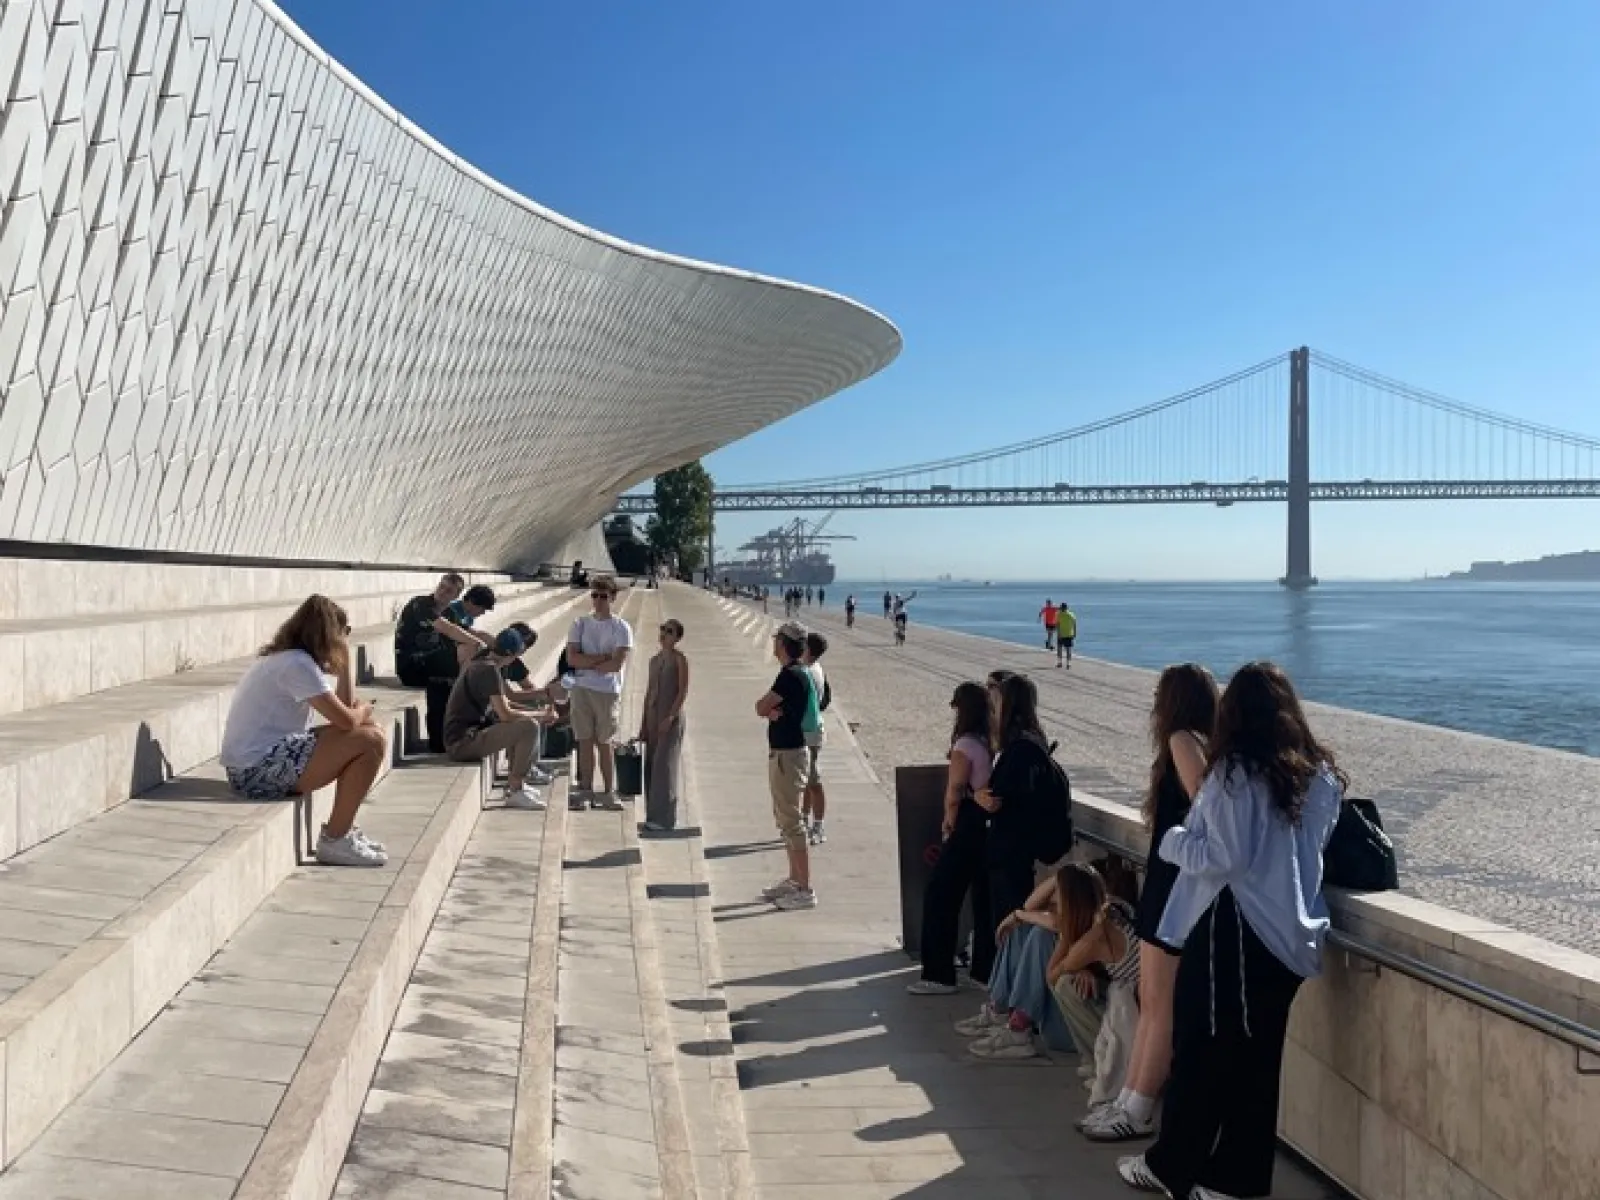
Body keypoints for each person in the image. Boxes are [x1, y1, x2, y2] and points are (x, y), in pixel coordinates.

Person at [1118, 662, 1343, 1200]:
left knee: (1202, 1050)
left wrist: (1173, 839)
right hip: (1289, 933)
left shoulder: (1236, 774)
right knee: (1257, 1061)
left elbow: (1224, 858)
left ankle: (1172, 1166)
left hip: (1236, 932)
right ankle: (1234, 1179)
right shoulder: (1320, 776)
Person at [1085, 664, 1217, 1142]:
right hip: (1171, 885)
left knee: (1158, 1003)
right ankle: (1126, 1097)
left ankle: (1137, 1108)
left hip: (1173, 888)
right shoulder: (1201, 740)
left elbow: (1205, 803)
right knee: (1153, 999)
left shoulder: (1183, 739)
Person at [221, 596, 388, 867]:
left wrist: (346, 666)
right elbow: (347, 720)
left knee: (370, 733)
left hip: (256, 762)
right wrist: (364, 710)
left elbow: (344, 713)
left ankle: (342, 831)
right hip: (255, 773)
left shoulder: (289, 659)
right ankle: (335, 839)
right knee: (370, 740)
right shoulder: (296, 664)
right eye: (341, 637)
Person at [910, 682, 994, 994]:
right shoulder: (990, 741)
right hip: (987, 826)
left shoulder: (965, 745)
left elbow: (956, 790)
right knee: (982, 899)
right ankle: (983, 971)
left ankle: (938, 973)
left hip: (967, 824)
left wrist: (948, 822)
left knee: (941, 897)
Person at [1041, 864, 1141, 1107]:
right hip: (1142, 1003)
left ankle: (1100, 1065)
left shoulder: (1094, 938)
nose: (1053, 901)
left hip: (1135, 1018)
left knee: (1065, 985)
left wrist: (1065, 937)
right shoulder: (1114, 910)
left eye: (1059, 894)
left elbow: (1052, 975)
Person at [976, 673, 1064, 932]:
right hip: (1015, 850)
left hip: (1013, 851)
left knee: (1009, 922)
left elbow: (1005, 796)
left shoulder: (1021, 748)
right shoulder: (1030, 742)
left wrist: (983, 797)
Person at [444, 629, 553, 810]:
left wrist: (538, 712)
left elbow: (506, 704)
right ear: (510, 655)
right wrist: (541, 716)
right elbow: (506, 714)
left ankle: (516, 784)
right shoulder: (488, 670)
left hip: (466, 736)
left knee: (523, 722)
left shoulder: (483, 662)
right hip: (462, 743)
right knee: (528, 727)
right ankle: (516, 789)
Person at [755, 621, 819, 911]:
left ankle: (805, 889)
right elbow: (768, 709)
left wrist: (770, 710)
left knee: (792, 821)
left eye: (776, 639)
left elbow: (760, 707)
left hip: (789, 755)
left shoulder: (791, 675)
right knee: (784, 817)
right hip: (786, 752)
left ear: (783, 643)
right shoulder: (796, 673)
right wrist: (771, 711)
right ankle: (794, 879)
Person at [565, 576, 633, 811]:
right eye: (594, 595)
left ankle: (607, 790)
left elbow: (616, 665)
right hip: (582, 689)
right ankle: (586, 789)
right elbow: (571, 659)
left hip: (606, 691)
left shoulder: (621, 627)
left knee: (605, 742)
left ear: (612, 598)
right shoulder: (579, 623)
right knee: (584, 741)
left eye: (603, 596)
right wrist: (601, 658)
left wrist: (588, 662)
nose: (598, 600)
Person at [639, 618, 690, 832]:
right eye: (662, 630)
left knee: (664, 765)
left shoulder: (680, 660)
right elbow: (649, 691)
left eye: (669, 631)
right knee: (651, 764)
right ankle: (652, 813)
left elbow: (682, 691)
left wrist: (670, 717)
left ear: (677, 637)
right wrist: (643, 724)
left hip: (670, 716)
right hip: (652, 716)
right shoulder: (654, 660)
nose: (664, 634)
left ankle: (665, 817)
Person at [393, 573, 469, 686]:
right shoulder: (420, 604)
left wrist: (489, 645)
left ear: (456, 596)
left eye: (449, 590)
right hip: (411, 668)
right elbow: (449, 629)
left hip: (433, 663)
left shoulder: (450, 613)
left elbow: (466, 632)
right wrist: (475, 642)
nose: (442, 591)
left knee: (473, 657)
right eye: (441, 586)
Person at [800, 631, 832, 845]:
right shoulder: (817, 668)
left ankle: (818, 826)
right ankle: (804, 819)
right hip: (812, 730)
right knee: (808, 781)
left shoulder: (807, 672)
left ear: (808, 650)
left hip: (809, 733)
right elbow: (825, 700)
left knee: (813, 780)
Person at [1057, 602, 1078, 668]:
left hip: (1061, 634)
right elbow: (1074, 624)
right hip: (1069, 634)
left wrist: (1058, 633)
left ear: (1061, 608)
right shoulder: (1071, 614)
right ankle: (1068, 664)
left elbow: (1058, 625)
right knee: (1068, 649)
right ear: (1067, 608)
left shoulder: (1059, 614)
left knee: (1060, 648)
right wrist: (1075, 633)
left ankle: (1060, 662)